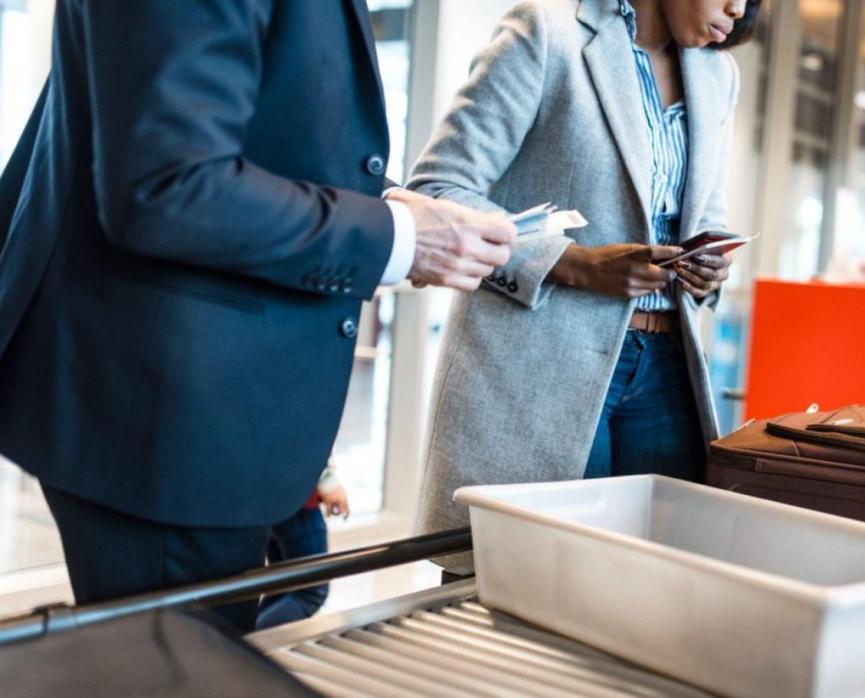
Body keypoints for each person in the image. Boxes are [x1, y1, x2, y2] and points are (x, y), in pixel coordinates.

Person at [0, 1, 515, 631]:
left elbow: (248, 143)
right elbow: (168, 187)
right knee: (175, 675)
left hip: (197, 405)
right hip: (161, 419)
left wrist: (382, 210)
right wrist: (396, 239)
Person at [407, 0, 761, 574]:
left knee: (652, 584)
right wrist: (574, 264)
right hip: (541, 366)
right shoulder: (545, 34)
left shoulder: (718, 75)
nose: (737, 8)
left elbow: (705, 213)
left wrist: (710, 270)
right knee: (529, 582)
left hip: (668, 368)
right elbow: (439, 192)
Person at [256, 462, 349, 630]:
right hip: (298, 500)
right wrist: (327, 480)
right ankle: (245, 644)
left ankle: (243, 644)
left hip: (269, 496)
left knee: (282, 587)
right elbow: (304, 441)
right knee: (311, 592)